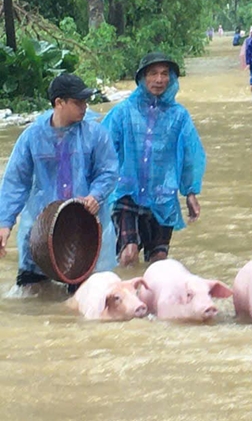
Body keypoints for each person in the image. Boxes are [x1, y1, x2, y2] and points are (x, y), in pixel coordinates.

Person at [0, 74, 119, 286]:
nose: (84, 107)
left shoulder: (96, 135)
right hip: (41, 228)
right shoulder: (32, 137)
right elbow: (16, 182)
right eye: (77, 102)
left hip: (85, 226)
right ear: (59, 103)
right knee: (33, 294)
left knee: (87, 296)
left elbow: (108, 172)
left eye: (85, 101)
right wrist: (5, 223)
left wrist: (95, 196)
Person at [103, 52, 207, 267]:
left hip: (162, 196)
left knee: (158, 261)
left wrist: (190, 192)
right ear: (142, 78)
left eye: (164, 74)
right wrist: (98, 190)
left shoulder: (179, 116)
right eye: (153, 74)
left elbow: (190, 155)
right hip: (126, 194)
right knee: (129, 253)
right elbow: (104, 149)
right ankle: (127, 296)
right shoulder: (123, 112)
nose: (159, 80)